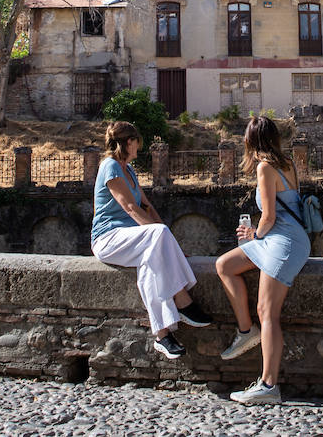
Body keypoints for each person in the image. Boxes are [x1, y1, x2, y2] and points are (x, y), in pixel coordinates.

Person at [90, 121, 212, 358]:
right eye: (137, 143)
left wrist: (168, 244)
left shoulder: (130, 171)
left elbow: (147, 205)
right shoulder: (110, 166)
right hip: (108, 238)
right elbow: (130, 207)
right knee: (158, 235)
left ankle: (163, 336)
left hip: (134, 239)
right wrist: (161, 237)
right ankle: (183, 300)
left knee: (151, 261)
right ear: (128, 142)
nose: (139, 148)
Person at [214, 115, 311, 405]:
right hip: (279, 238)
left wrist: (254, 233)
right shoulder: (288, 163)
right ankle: (246, 331)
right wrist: (258, 235)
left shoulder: (265, 168)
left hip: (284, 242)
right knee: (225, 265)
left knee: (267, 311)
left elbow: (268, 217)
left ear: (250, 141)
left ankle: (269, 385)